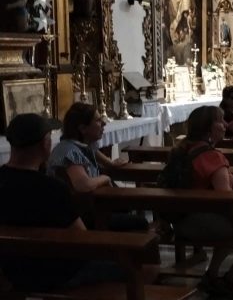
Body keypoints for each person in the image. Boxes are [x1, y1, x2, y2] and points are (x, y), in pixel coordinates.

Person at [0, 114, 125, 291]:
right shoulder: (51, 188)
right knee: (126, 266)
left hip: (11, 272)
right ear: (45, 143)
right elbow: (82, 238)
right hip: (58, 273)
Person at [163, 105, 233, 295]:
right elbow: (227, 201)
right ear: (208, 128)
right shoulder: (212, 157)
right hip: (200, 222)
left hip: (178, 220)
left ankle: (211, 275)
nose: (224, 125)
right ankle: (230, 279)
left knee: (232, 226)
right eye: (220, 121)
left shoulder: (180, 149)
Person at [47, 103, 147, 231]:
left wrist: (110, 163)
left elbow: (92, 151)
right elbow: (84, 186)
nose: (104, 123)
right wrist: (105, 178)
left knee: (125, 206)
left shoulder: (80, 144)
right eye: (98, 120)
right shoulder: (69, 152)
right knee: (140, 223)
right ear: (83, 128)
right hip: (79, 218)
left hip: (92, 208)